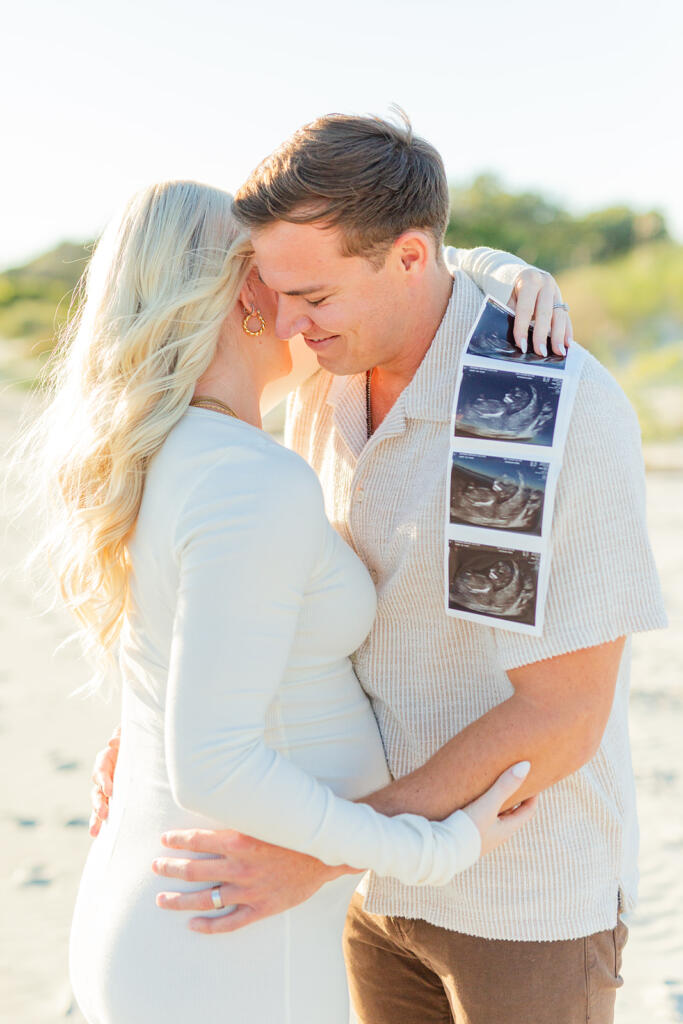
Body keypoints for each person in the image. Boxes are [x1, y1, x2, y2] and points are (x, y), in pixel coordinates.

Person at [110, 114, 666, 1024]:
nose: (285, 322)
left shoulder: (515, 404)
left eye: (314, 297)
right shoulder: (327, 368)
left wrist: (328, 853)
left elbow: (557, 714)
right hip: (367, 895)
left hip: (513, 903)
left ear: (408, 259)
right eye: (275, 291)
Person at [27, 179, 547, 1024]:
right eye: (287, 276)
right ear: (245, 292)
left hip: (186, 915)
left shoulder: (176, 451)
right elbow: (216, 764)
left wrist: (496, 268)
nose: (308, 300)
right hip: (223, 944)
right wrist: (431, 847)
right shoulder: (247, 479)